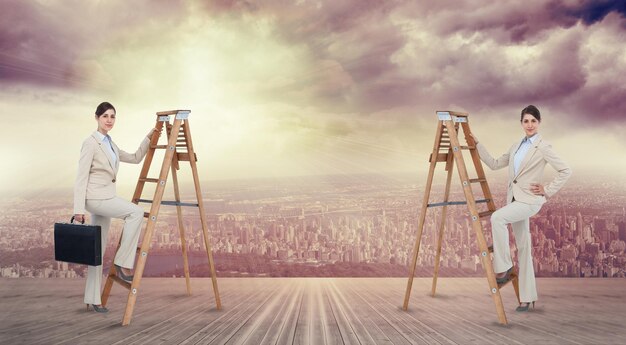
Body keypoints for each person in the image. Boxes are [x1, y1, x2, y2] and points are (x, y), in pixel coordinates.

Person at [470, 105, 571, 312]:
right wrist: (477, 144)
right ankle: (527, 297)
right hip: (515, 200)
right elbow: (495, 163)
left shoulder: (543, 146)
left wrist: (547, 190)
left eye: (533, 121)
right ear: (521, 123)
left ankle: (504, 268)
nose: (530, 125)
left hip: (530, 201)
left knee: (497, 218)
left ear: (539, 123)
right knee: (524, 247)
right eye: (526, 121)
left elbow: (566, 170)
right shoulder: (516, 146)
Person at [73, 102, 160, 313]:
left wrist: (150, 136)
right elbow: (81, 177)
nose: (109, 120)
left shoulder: (110, 144)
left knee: (97, 249)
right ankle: (122, 263)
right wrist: (78, 209)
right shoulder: (91, 143)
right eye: (105, 116)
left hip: (106, 198)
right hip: (96, 199)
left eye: (112, 116)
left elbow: (135, 158)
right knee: (136, 212)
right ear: (97, 118)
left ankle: (93, 299)